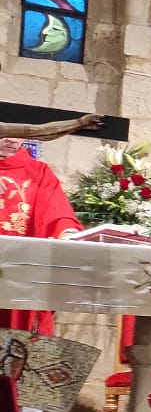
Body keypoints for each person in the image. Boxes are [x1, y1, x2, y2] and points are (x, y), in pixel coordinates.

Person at [0, 113, 98, 335]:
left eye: (17, 136)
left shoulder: (38, 172)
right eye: (6, 134)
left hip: (20, 272)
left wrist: (67, 232)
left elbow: (56, 211)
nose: (12, 140)